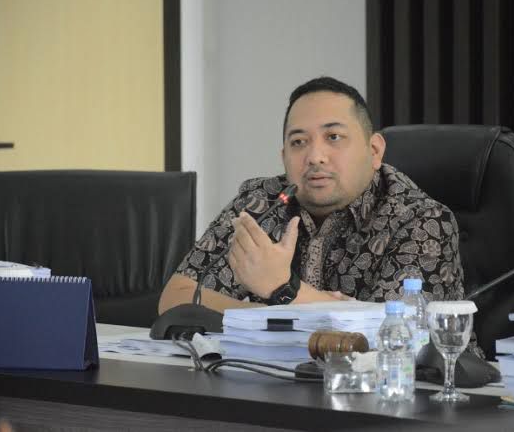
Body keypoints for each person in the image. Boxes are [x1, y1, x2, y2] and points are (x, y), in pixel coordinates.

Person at [159, 76, 468, 318]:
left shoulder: (421, 220)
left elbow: (400, 332)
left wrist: (283, 289)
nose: (315, 156)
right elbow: (177, 298)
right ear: (284, 156)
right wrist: (270, 316)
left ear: (374, 151)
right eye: (299, 142)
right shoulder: (260, 203)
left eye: (334, 137)